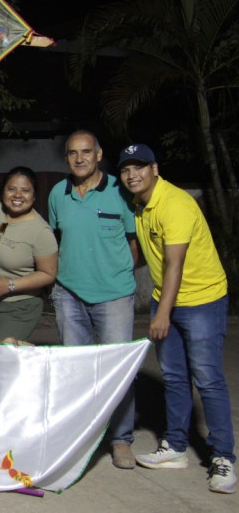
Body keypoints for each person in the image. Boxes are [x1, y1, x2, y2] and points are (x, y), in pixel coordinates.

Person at [119, 144, 235, 494]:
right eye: (126, 170)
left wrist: (162, 313)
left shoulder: (176, 204)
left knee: (208, 378)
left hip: (202, 300)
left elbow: (175, 264)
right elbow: (144, 255)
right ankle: (176, 447)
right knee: (174, 377)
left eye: (139, 167)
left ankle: (223, 458)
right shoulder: (140, 204)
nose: (131, 175)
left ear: (155, 168)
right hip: (166, 297)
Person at [48, 130, 140, 469]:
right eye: (72, 153)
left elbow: (134, 243)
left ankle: (120, 439)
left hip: (114, 296)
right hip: (69, 294)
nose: (80, 158)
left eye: (86, 151)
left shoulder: (120, 190)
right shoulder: (59, 193)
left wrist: (115, 276)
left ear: (99, 154)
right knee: (76, 372)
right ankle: (81, 439)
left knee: (119, 371)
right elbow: (59, 238)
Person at [0, 167, 58, 342]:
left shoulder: (40, 231)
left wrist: (11, 285)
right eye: (12, 189)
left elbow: (48, 274)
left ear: (34, 195)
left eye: (25, 190)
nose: (17, 195)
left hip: (18, 306)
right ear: (3, 191)